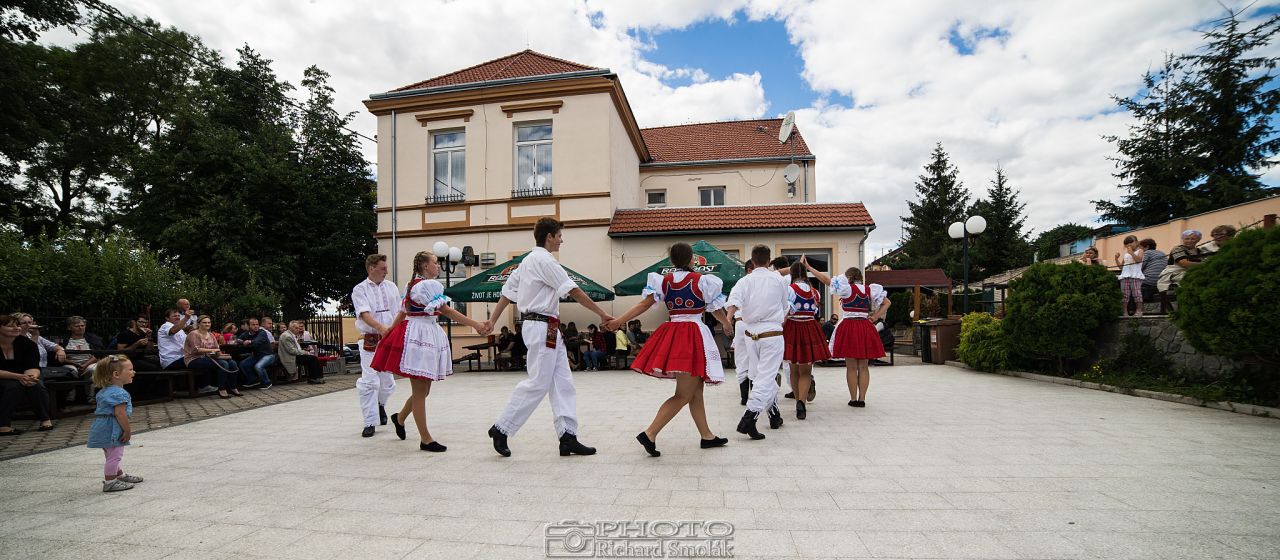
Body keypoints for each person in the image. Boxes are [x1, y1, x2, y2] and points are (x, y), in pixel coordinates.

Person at [482, 217, 613, 457]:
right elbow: (573, 290)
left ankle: (567, 436)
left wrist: (492, 321)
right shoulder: (544, 260)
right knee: (539, 382)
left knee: (563, 382)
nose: (562, 240)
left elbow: (507, 293)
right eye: (559, 236)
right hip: (541, 326)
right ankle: (501, 428)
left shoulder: (526, 262)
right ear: (549, 236)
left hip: (547, 327)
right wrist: (602, 313)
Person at [608, 242, 731, 457]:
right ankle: (650, 433)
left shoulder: (663, 281)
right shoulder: (702, 281)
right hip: (692, 336)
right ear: (692, 259)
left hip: (673, 334)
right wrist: (727, 323)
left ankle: (707, 436)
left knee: (696, 390)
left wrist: (619, 320)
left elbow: (643, 305)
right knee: (683, 394)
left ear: (672, 261)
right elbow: (714, 308)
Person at [373, 251, 486, 452]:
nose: (438, 266)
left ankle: (399, 418)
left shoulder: (412, 285)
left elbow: (402, 312)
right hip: (419, 337)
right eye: (435, 263)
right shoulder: (426, 286)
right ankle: (425, 439)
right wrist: (475, 324)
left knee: (424, 390)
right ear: (425, 266)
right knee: (420, 391)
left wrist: (390, 330)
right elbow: (446, 310)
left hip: (420, 334)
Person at [725, 244, 790, 440]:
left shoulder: (744, 281)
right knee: (766, 378)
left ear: (752, 262)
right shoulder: (778, 280)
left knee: (757, 375)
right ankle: (749, 418)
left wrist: (728, 321)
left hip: (751, 334)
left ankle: (774, 415)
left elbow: (733, 303)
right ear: (769, 261)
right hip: (771, 333)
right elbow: (784, 306)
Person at [826, 266, 890, 407]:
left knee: (851, 367)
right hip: (865, 327)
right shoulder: (869, 290)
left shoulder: (847, 289)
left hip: (849, 326)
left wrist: (810, 268)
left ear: (849, 278)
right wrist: (875, 317)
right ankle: (862, 399)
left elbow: (826, 280)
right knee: (863, 366)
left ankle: (853, 399)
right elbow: (887, 303)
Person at [352, 253, 400, 438]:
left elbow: (399, 312)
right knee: (370, 381)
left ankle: (380, 404)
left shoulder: (391, 287)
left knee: (387, 383)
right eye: (383, 268)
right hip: (370, 339)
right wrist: (381, 328)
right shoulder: (360, 289)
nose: (386, 271)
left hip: (389, 339)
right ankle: (369, 422)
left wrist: (395, 331)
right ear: (372, 269)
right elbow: (364, 314)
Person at [784, 258, 832, 420]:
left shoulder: (789, 289)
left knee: (793, 368)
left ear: (791, 274)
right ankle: (802, 402)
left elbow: (785, 310)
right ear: (805, 274)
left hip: (792, 328)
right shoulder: (814, 292)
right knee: (806, 371)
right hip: (810, 328)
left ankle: (797, 400)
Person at [87, 355, 143, 492]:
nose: (133, 372)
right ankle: (110, 482)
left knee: (111, 454)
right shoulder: (119, 393)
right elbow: (120, 414)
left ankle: (119, 475)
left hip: (102, 426)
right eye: (130, 369)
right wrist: (127, 430)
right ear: (116, 374)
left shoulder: (104, 391)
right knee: (115, 455)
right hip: (112, 427)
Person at [1, 313, 53, 434]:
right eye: (10, 326)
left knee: (36, 384)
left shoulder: (27, 344)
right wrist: (19, 377)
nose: (16, 328)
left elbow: (33, 366)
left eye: (17, 325)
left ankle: (45, 419)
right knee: (13, 386)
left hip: (23, 374)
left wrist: (31, 377)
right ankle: (3, 425)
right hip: (4, 376)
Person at [183, 316, 241, 398]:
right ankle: (221, 389)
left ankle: (232, 387)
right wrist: (212, 350)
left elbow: (217, 348)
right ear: (198, 324)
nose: (207, 324)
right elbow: (196, 350)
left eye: (208, 322)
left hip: (209, 357)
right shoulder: (194, 334)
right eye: (204, 322)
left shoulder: (211, 335)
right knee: (223, 364)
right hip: (194, 359)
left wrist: (216, 352)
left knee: (233, 363)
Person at [731, 260, 756, 406]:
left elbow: (732, 302)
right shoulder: (762, 281)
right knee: (754, 359)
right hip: (753, 324)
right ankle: (751, 396)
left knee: (742, 360)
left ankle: (745, 397)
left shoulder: (741, 283)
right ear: (749, 270)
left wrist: (728, 320)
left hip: (742, 323)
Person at [237, 318, 275, 389]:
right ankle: (253, 380)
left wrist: (249, 342)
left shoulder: (262, 332)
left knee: (258, 366)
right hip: (257, 356)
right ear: (248, 326)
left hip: (268, 355)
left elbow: (257, 341)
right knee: (243, 364)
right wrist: (242, 342)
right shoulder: (247, 333)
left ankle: (267, 383)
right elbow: (238, 339)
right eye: (253, 325)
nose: (256, 326)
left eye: (257, 324)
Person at [1115, 235, 1145, 317]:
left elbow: (1138, 260)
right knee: (1124, 295)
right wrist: (1116, 259)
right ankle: (1124, 311)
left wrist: (1131, 252)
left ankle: (1139, 311)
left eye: (1131, 242)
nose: (1129, 245)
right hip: (1125, 276)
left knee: (1137, 293)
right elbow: (1121, 267)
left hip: (1135, 276)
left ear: (1136, 242)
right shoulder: (1126, 255)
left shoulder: (1140, 251)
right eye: (1127, 244)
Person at [1138, 239, 1166, 303]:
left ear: (1147, 247)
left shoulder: (1147, 252)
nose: (1139, 250)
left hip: (1148, 282)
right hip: (1160, 281)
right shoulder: (1162, 253)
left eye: (1140, 248)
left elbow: (1139, 267)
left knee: (1129, 284)